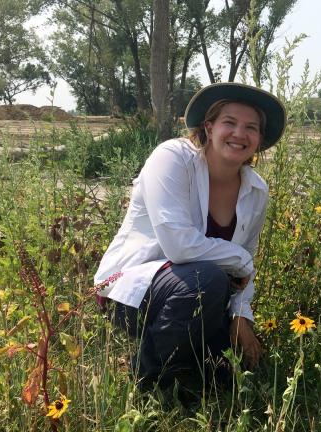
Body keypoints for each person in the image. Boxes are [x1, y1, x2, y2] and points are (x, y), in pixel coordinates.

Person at [93, 82, 286, 391]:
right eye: (229, 122)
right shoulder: (172, 158)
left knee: (229, 377)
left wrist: (240, 315)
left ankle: (187, 365)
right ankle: (148, 381)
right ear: (208, 127)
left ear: (260, 140)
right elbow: (179, 245)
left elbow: (247, 264)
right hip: (132, 293)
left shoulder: (256, 191)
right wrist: (240, 260)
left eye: (251, 127)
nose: (240, 134)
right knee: (206, 278)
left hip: (203, 297)